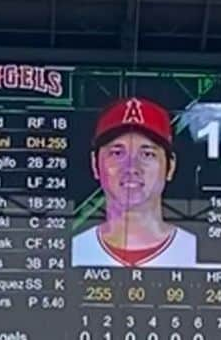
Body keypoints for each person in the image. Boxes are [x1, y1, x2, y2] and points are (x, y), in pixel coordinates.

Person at [71, 97, 199, 269]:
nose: (131, 167)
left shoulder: (201, 251)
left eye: (147, 154)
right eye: (117, 153)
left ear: (170, 166)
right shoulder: (71, 252)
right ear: (95, 164)